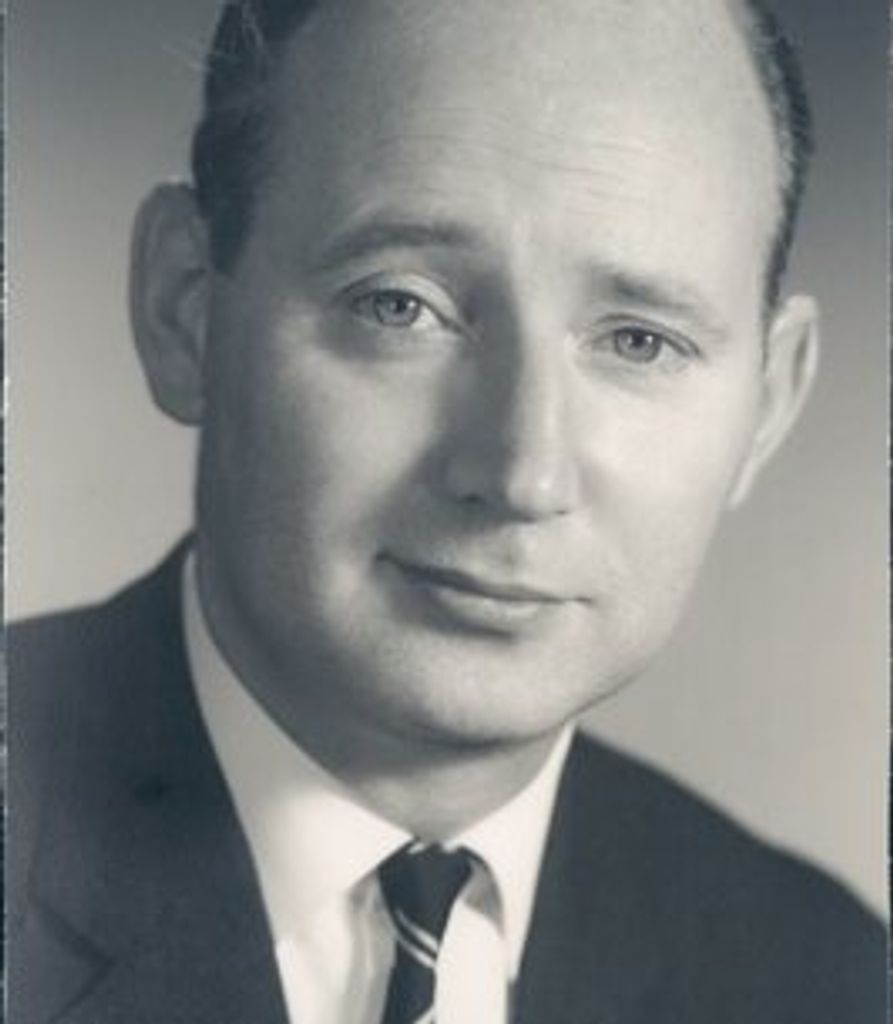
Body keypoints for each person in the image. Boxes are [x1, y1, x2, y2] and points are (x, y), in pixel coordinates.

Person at [9, 0, 886, 1021]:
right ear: (185, 308)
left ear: (766, 406)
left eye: (638, 341)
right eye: (400, 306)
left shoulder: (820, 978)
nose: (520, 475)